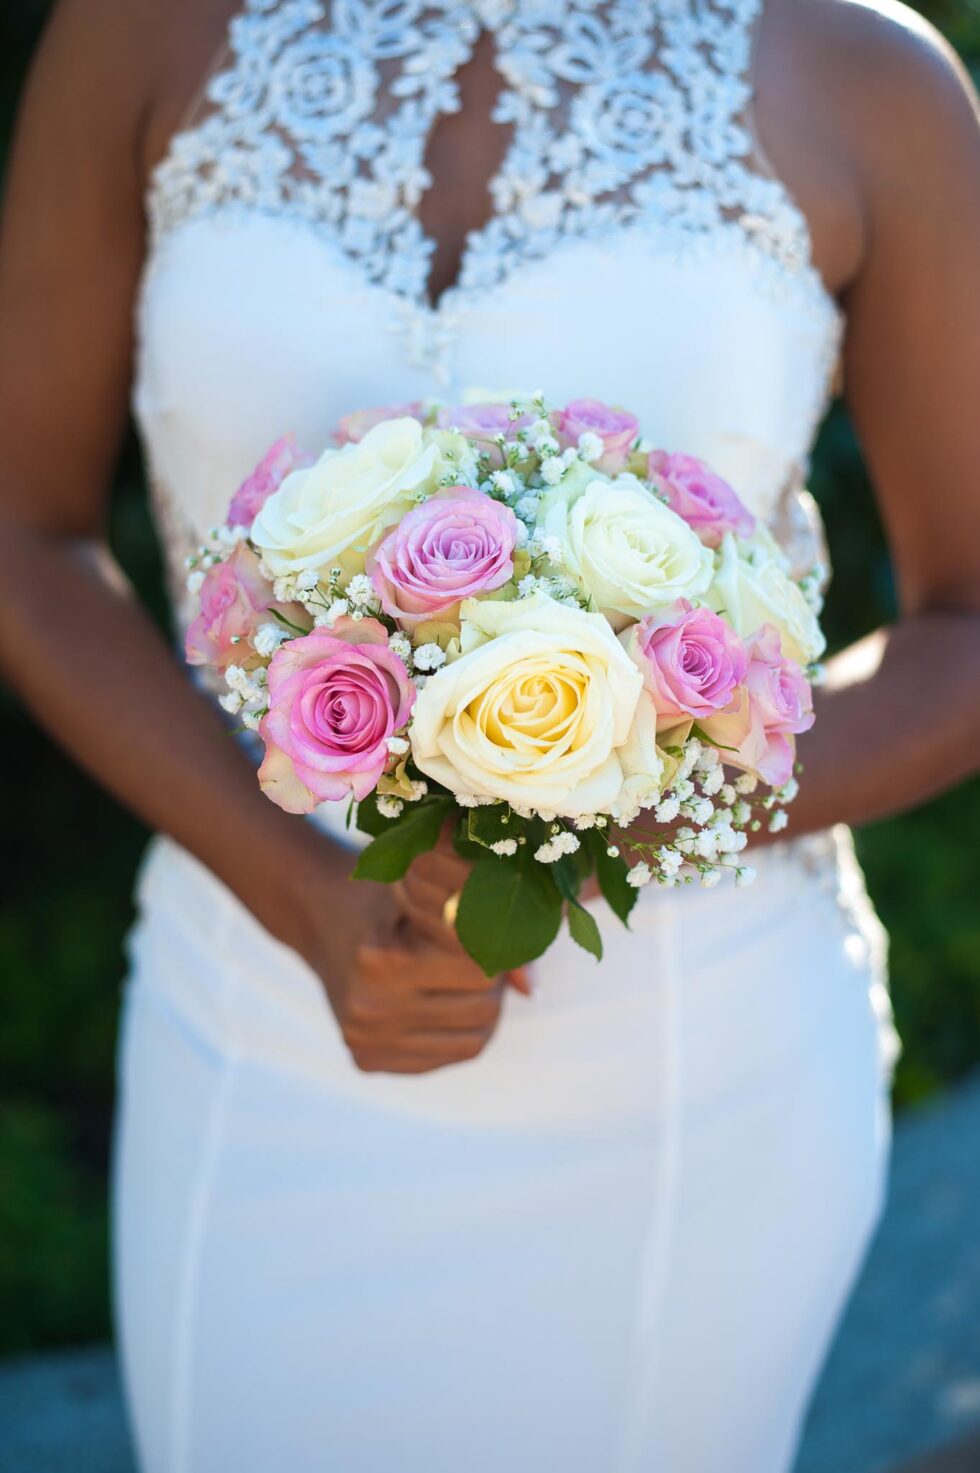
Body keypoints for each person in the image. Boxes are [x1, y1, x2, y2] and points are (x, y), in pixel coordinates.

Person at [1, 1, 978, 1469]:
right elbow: (24, 529)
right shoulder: (138, 29)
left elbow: (967, 623)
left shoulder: (862, 73)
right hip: (254, 1017)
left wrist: (635, 807)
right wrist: (305, 895)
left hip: (691, 1066)